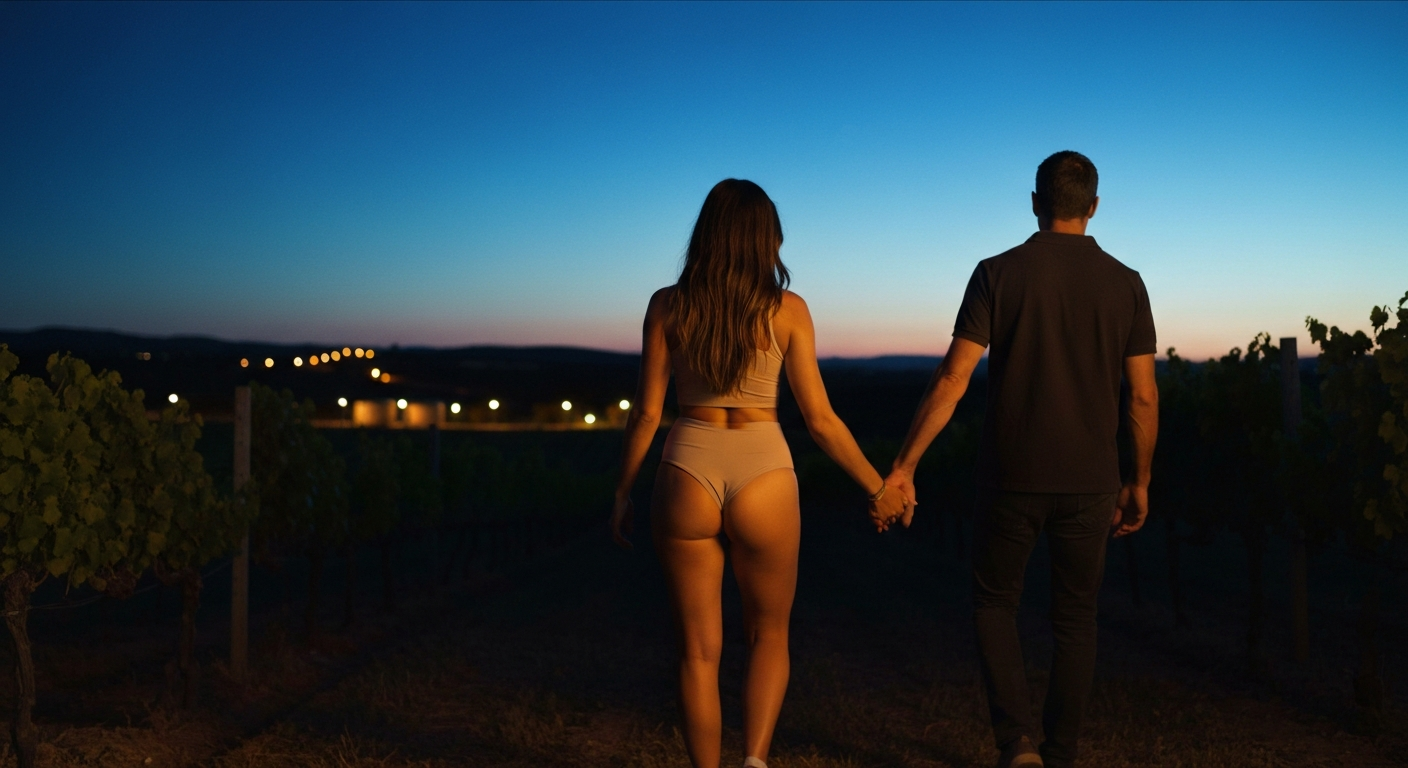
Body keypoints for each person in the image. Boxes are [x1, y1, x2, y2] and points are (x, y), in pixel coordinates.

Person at [610, 179, 909, 768]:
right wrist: (879, 487)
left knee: (697, 653)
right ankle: (755, 761)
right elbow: (820, 421)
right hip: (764, 470)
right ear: (766, 238)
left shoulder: (666, 304)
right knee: (769, 635)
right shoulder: (788, 311)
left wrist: (622, 491)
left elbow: (647, 413)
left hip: (686, 467)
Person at [879, 152, 1159, 768]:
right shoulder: (1127, 283)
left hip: (1010, 477)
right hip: (1092, 483)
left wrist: (905, 464)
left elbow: (952, 379)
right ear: (1094, 206)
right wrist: (1137, 480)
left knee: (994, 604)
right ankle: (1059, 754)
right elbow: (1141, 394)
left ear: (1034, 202)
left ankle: (1016, 744)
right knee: (1077, 619)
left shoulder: (995, 273)